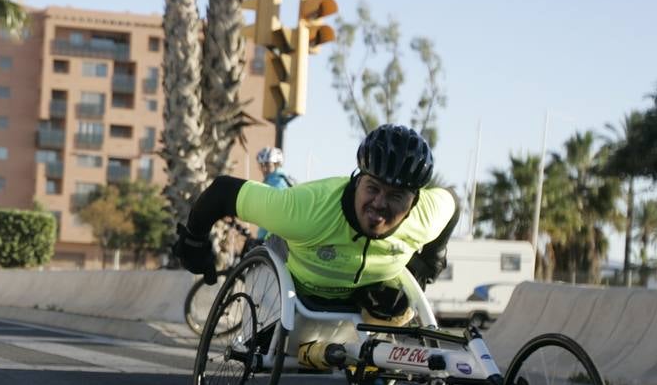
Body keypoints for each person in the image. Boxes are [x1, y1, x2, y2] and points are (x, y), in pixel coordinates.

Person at [172, 124, 460, 367]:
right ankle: (297, 345)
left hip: (363, 295)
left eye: (396, 196)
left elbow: (452, 203)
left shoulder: (426, 216)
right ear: (358, 181)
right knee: (260, 343)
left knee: (398, 303)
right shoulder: (306, 209)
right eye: (373, 188)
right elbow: (222, 190)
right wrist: (193, 242)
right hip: (297, 286)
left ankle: (359, 360)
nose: (380, 204)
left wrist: (431, 260)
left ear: (414, 203)